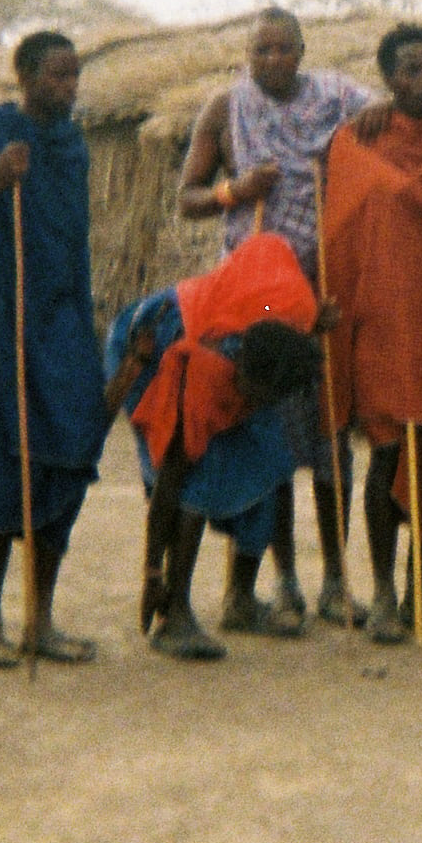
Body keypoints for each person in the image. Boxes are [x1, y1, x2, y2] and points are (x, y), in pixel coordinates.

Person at [179, 8, 376, 634]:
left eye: (283, 49)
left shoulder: (336, 97)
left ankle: (337, 579)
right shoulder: (224, 109)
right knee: (271, 435)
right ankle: (283, 578)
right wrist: (234, 192)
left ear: (301, 50)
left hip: (321, 285)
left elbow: (380, 115)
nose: (272, 61)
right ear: (246, 52)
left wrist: (355, 140)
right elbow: (187, 198)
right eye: (260, 50)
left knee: (329, 435)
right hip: (256, 289)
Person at [0, 31, 100, 667]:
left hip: (61, 323)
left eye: (74, 75)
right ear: (25, 76)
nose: (68, 87)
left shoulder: (76, 143)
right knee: (1, 472)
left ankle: (41, 618)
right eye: (56, 76)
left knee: (62, 462)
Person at [108, 231, 326, 659]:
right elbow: (171, 483)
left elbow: (269, 246)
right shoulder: (205, 373)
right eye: (251, 394)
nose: (253, 406)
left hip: (232, 337)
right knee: (195, 478)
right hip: (164, 335)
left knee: (270, 460)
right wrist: (152, 572)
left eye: (263, 400)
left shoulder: (293, 321)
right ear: (240, 367)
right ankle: (175, 611)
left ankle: (240, 600)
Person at [320, 23, 422, 646]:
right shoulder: (357, 141)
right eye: (410, 70)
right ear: (385, 77)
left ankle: (416, 594)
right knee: (386, 451)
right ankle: (381, 592)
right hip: (381, 319)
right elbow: (337, 239)